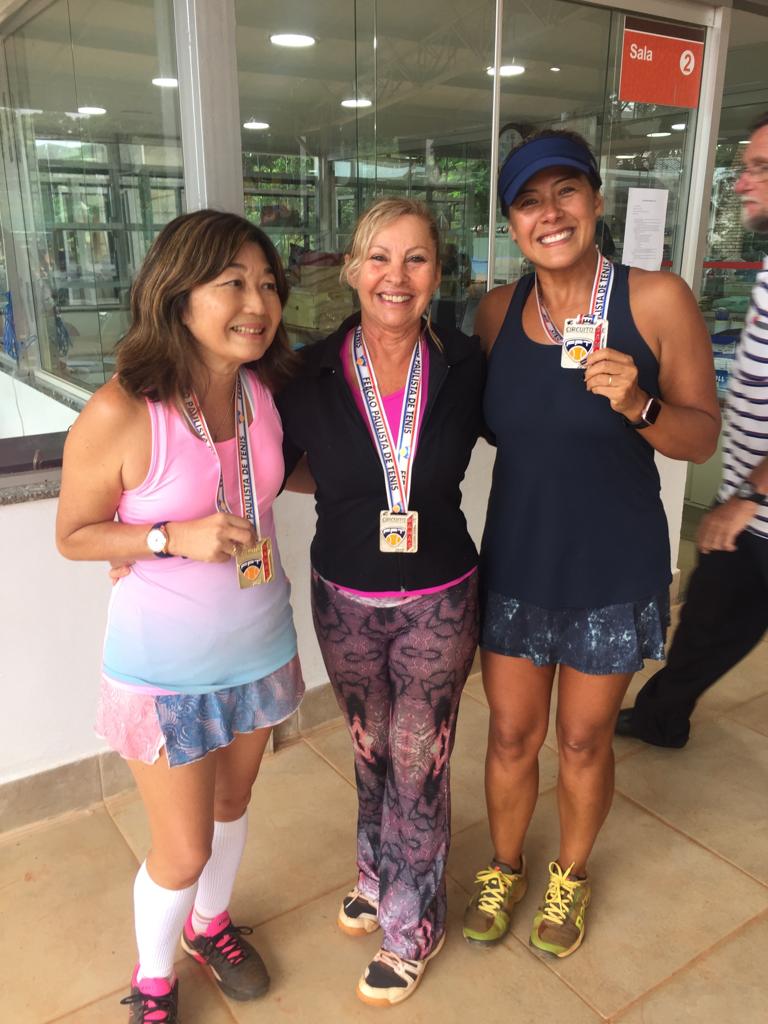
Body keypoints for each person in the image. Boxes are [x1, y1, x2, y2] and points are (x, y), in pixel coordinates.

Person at [462, 129, 720, 959]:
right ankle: (505, 866)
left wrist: (641, 406)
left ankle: (569, 874)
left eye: (566, 192)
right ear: (511, 224)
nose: (550, 214)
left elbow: (701, 437)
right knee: (511, 736)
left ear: (596, 201)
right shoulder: (496, 314)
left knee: (582, 740)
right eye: (529, 202)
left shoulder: (657, 300)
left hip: (611, 565)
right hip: (519, 559)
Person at [55, 210, 304, 1023]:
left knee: (233, 809)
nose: (257, 303)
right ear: (177, 294)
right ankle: (154, 980)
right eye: (232, 283)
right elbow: (74, 535)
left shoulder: (263, 392)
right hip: (166, 673)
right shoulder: (124, 411)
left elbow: (278, 481)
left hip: (260, 645)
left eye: (267, 284)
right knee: (183, 846)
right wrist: (166, 536)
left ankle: (210, 926)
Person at [278, 197, 484, 1006]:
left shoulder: (466, 365)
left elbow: (536, 433)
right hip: (345, 595)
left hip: (440, 595)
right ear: (352, 268)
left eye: (417, 258)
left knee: (417, 757)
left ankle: (412, 923)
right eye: (380, 257)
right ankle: (375, 871)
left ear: (438, 272)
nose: (397, 276)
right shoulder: (307, 372)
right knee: (368, 747)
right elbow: (263, 458)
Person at [616, 113, 768, 748]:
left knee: (712, 620)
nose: (742, 182)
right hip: (750, 517)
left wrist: (749, 496)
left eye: (760, 168)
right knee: (709, 624)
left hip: (755, 510)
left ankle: (661, 716)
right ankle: (662, 717)